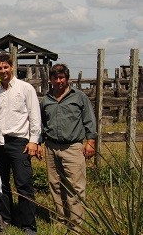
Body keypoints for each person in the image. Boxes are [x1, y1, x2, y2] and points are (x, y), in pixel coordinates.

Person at [0, 53, 41, 234]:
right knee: (1, 184)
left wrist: (33, 140)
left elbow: (34, 116)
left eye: (5, 67)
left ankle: (28, 225)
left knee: (23, 183)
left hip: (18, 142)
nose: (3, 71)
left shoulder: (25, 89)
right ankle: (5, 219)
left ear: (12, 67)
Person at [40, 63, 97, 231]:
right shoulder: (46, 100)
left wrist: (91, 142)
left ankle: (77, 225)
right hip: (51, 147)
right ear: (50, 79)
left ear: (67, 78)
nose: (59, 81)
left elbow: (89, 120)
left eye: (62, 77)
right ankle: (60, 221)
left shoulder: (79, 97)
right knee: (55, 185)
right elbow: (42, 123)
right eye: (55, 78)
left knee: (75, 187)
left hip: (73, 147)